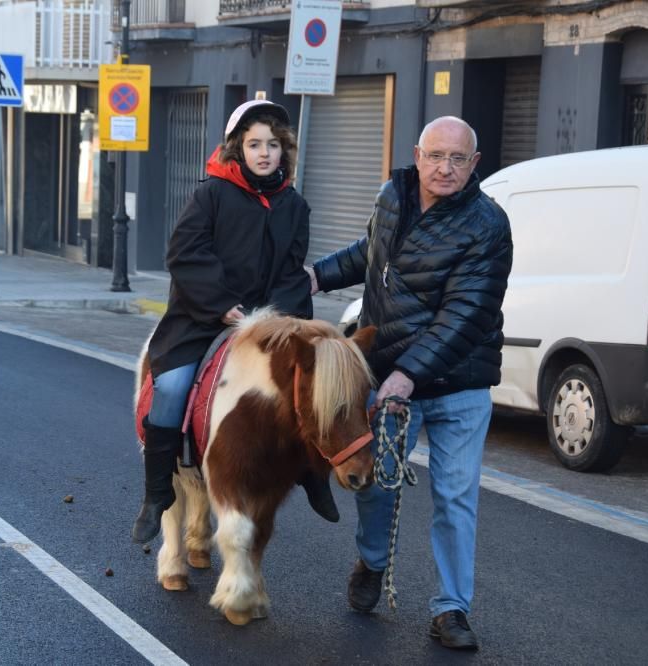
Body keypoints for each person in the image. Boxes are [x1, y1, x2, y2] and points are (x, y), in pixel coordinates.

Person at [304, 116, 513, 651]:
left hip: (458, 387)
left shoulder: (488, 225)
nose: (445, 168)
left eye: (458, 159)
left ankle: (451, 610)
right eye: (436, 156)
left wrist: (405, 375)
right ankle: (372, 563)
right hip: (392, 377)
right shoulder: (391, 198)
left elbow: (465, 314)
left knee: (456, 496)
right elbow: (370, 255)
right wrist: (314, 276)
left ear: (475, 164)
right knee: (374, 482)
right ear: (417, 155)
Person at [131, 99, 337, 545]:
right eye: (254, 144)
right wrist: (222, 305)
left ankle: (312, 474)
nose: (265, 153)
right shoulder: (210, 195)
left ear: (285, 151)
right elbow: (184, 255)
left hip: (268, 324)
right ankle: (156, 494)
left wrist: (275, 320)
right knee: (169, 389)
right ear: (237, 149)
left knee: (306, 390)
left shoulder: (295, 206)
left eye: (273, 145)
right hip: (202, 318)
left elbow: (291, 272)